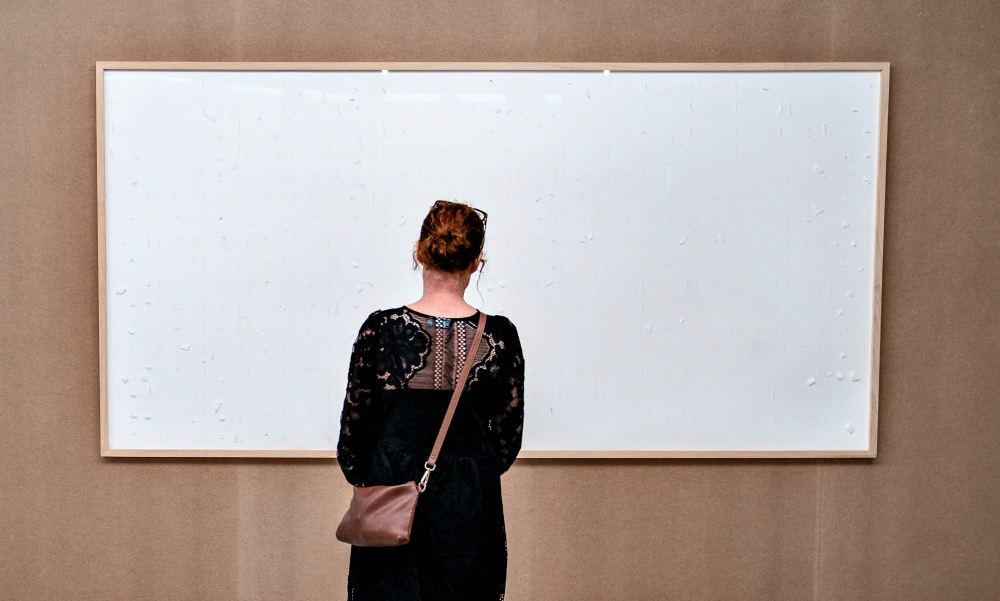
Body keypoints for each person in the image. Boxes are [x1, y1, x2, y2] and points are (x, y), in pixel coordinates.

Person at [337, 199, 525, 601]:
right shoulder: (500, 337)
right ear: (476, 262)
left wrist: (380, 474)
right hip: (469, 503)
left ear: (420, 252)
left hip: (391, 499)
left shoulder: (381, 329)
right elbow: (507, 443)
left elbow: (351, 441)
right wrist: (468, 468)